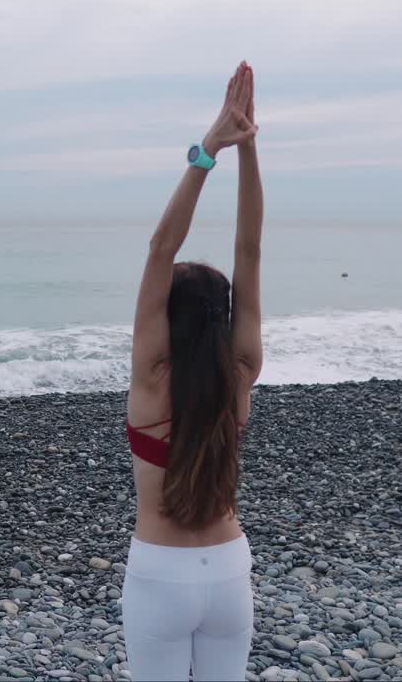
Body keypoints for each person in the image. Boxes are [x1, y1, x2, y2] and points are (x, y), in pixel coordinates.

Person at [121, 61, 264, 681]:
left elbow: (160, 249)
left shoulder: (153, 377)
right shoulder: (240, 371)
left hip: (161, 573)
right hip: (230, 571)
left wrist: (209, 147)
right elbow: (249, 249)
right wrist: (249, 150)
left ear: (170, 318)